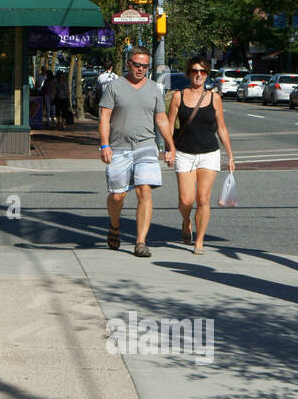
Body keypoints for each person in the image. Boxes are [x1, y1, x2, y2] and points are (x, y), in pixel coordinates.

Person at [99, 48, 176, 258]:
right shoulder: (114, 87)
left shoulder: (153, 89)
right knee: (117, 196)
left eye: (144, 66)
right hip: (119, 148)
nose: (140, 69)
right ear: (128, 63)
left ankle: (140, 241)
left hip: (146, 146)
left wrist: (170, 145)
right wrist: (104, 144)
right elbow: (104, 117)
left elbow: (161, 119)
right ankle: (115, 226)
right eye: (137, 65)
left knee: (144, 190)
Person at [167, 56, 235, 255]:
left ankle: (199, 240)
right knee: (186, 201)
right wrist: (169, 149)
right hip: (184, 153)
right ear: (189, 73)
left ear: (207, 74)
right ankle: (186, 220)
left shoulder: (214, 98)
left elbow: (221, 128)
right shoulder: (178, 96)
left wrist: (230, 155)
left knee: (203, 199)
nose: (199, 75)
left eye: (203, 71)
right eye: (195, 71)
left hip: (209, 154)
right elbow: (170, 125)